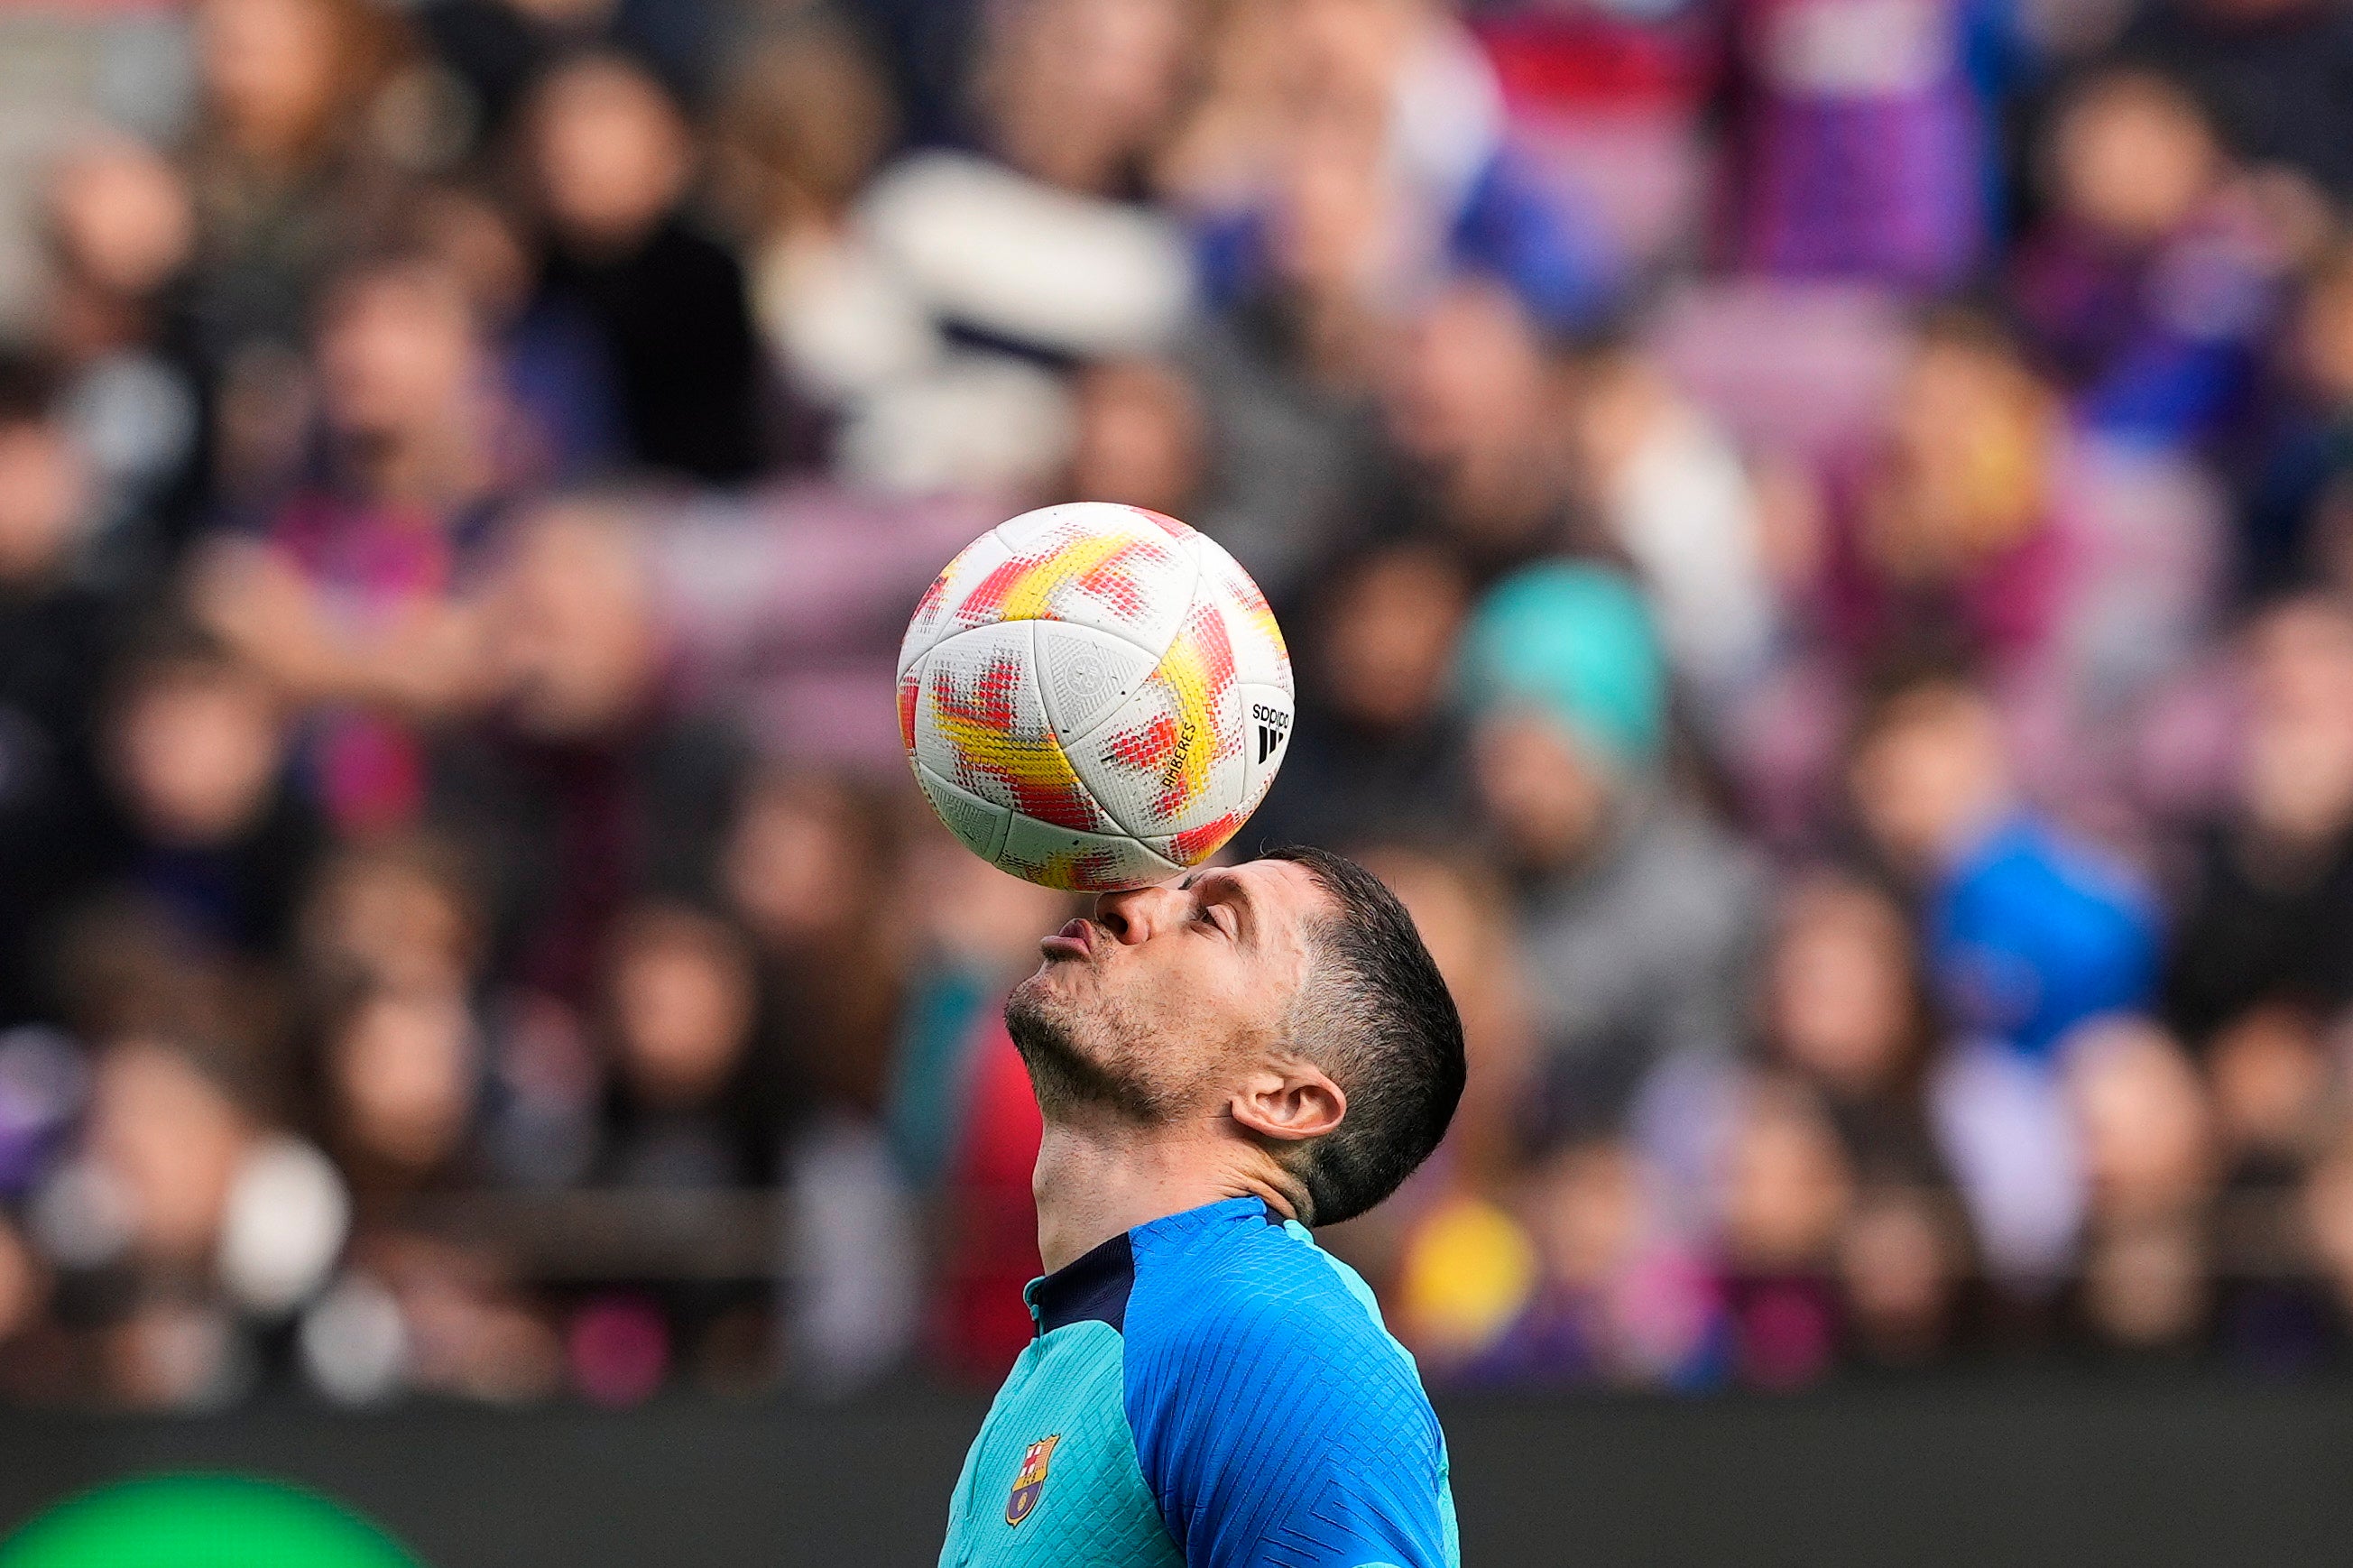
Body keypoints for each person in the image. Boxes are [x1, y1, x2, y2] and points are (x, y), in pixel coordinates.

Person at [938, 846, 1465, 1566]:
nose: (1124, 901)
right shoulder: (1082, 1349)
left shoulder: (1271, 1339)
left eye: (1210, 919)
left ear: (1285, 1100)